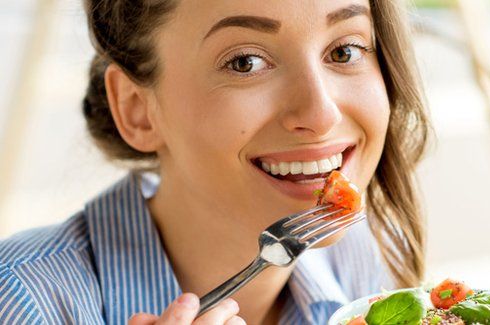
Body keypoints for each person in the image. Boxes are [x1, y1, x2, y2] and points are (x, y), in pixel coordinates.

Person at [0, 0, 430, 323]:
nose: (321, 115)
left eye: (345, 51)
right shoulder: (21, 301)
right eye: (245, 63)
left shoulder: (369, 261)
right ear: (136, 108)